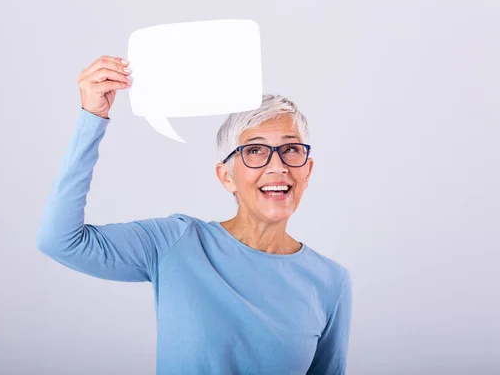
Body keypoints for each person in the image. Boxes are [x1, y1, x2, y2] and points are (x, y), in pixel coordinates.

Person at [37, 55, 353, 374]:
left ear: (307, 170)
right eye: (255, 150)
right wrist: (93, 116)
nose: (277, 166)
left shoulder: (331, 281)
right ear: (226, 176)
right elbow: (60, 241)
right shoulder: (178, 243)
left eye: (291, 149)